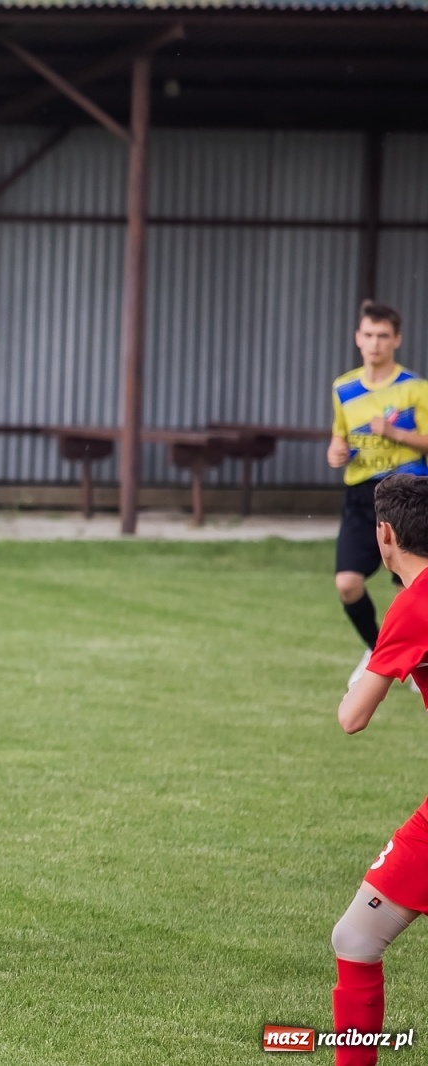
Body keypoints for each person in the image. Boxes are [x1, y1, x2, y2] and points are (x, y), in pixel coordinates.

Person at [329, 474, 428, 1066]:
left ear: (384, 535)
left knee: (356, 938)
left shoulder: (413, 604)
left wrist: (358, 679)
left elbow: (352, 718)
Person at [328, 301, 428, 687]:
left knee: (412, 589)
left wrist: (395, 434)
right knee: (347, 583)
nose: (375, 343)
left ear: (396, 340)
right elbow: (340, 436)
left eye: (383, 336)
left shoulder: (414, 388)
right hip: (361, 497)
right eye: (368, 335)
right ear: (358, 338)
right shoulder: (343, 387)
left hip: (408, 494)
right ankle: (378, 651)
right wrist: (335, 450)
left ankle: (410, 665)